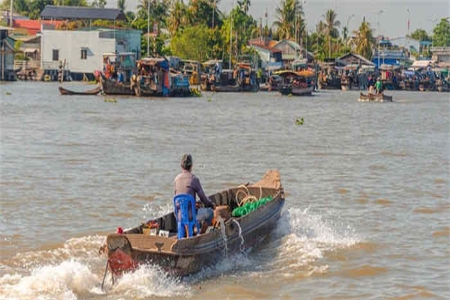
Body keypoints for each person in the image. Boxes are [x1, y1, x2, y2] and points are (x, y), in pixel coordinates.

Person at [174, 154, 216, 234]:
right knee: (210, 213)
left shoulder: (176, 179)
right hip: (191, 216)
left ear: (181, 166)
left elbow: (179, 198)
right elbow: (204, 199)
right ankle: (202, 234)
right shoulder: (194, 179)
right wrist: (211, 205)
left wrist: (192, 204)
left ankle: (187, 232)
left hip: (179, 215)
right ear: (191, 166)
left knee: (191, 210)